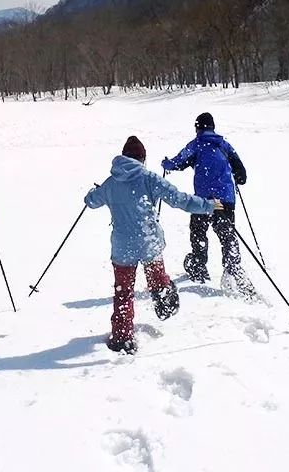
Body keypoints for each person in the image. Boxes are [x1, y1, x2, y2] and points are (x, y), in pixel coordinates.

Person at [86, 136, 222, 355]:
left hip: (123, 248)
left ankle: (122, 338)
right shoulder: (149, 178)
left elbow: (92, 202)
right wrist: (209, 205)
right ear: (142, 158)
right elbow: (181, 200)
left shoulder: (111, 183)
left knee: (124, 292)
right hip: (148, 242)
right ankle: (164, 299)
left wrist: (91, 194)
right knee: (158, 279)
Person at [162, 112, 260, 301]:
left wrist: (166, 163)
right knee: (226, 233)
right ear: (212, 127)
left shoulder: (197, 144)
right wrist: (236, 177)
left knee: (198, 231)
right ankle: (233, 267)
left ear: (198, 127)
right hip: (225, 199)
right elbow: (241, 173)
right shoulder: (224, 144)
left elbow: (178, 161)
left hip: (205, 201)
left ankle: (199, 266)